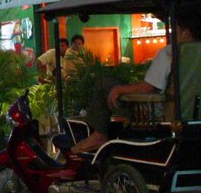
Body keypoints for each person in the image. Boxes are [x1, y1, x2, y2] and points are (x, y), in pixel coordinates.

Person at [73, 17, 200, 153]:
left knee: (104, 83)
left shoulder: (169, 52)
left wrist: (119, 88)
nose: (172, 33)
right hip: (193, 114)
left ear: (186, 33)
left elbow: (148, 88)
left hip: (157, 111)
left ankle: (99, 134)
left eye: (175, 30)